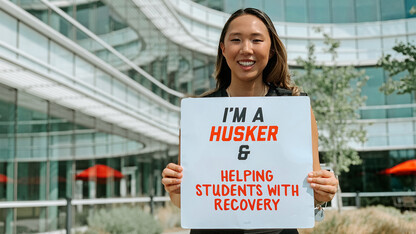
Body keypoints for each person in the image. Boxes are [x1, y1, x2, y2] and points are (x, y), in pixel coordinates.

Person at [162, 8, 339, 234]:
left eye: (256, 40)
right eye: (236, 40)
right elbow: (183, 202)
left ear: (271, 49)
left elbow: (311, 193)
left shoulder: (295, 108)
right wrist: (174, 187)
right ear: (223, 49)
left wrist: (324, 190)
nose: (246, 49)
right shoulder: (200, 113)